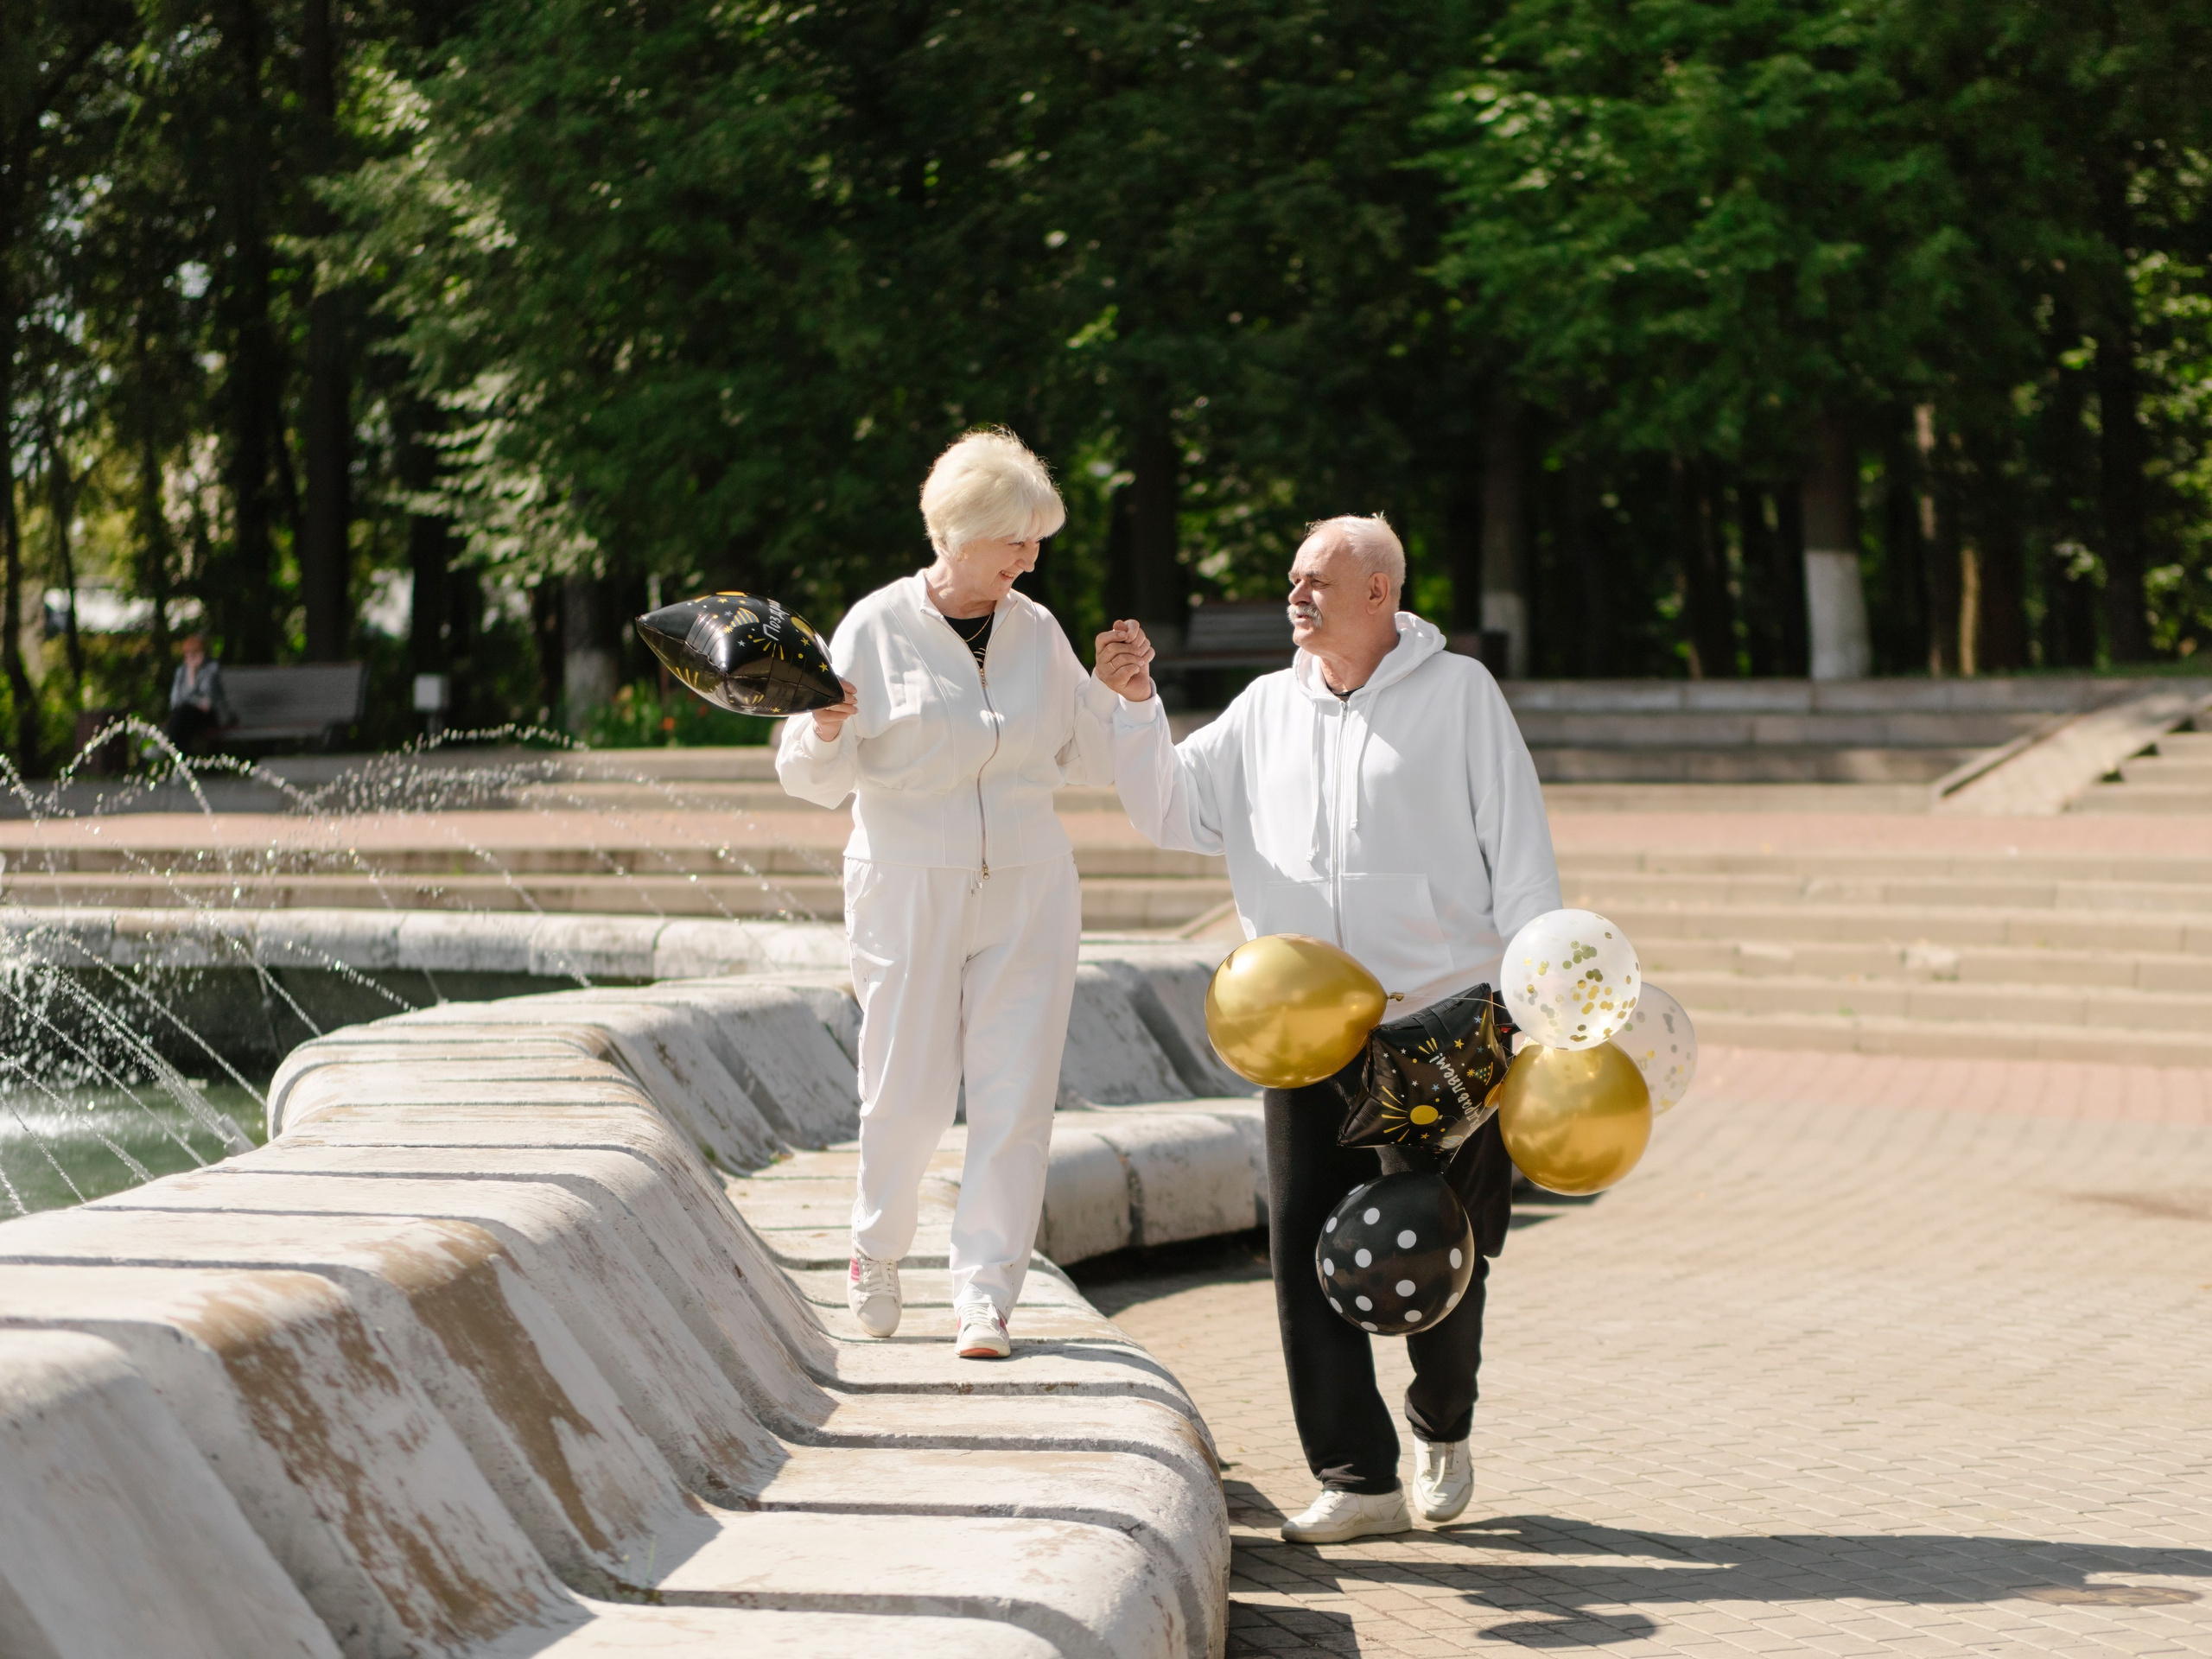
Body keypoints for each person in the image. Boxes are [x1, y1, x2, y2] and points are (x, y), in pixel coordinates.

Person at [1092, 514, 1561, 1542]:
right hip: (1304, 1029)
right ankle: (1358, 1479)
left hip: (1447, 1023)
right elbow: (1171, 812)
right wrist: (1136, 707)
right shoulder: (1263, 708)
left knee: (1449, 1249)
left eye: (1317, 581)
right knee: (1304, 1246)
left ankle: (1442, 1419)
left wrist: (1531, 1000)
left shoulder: (1460, 698)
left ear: (1379, 593)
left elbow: (1520, 853)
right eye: (1293, 579)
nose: (1296, 596)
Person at [778, 428, 1116, 1359]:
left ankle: (984, 1297)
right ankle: (875, 1250)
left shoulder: (1037, 630)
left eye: (1035, 541)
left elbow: (1085, 754)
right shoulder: (874, 626)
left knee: (1016, 1097)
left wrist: (1119, 697)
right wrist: (825, 726)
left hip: (1030, 884)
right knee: (907, 1090)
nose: (1031, 558)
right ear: (962, 534)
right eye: (1017, 541)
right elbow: (810, 780)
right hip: (906, 881)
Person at [166, 634, 234, 752]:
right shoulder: (181, 671)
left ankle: (178, 758)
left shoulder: (211, 669)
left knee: (183, 717)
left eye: (195, 653)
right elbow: (175, 701)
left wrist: (193, 677)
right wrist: (191, 673)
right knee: (183, 716)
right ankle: (182, 758)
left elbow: (208, 702)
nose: (191, 657)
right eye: (188, 653)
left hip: (210, 716)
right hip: (187, 715)